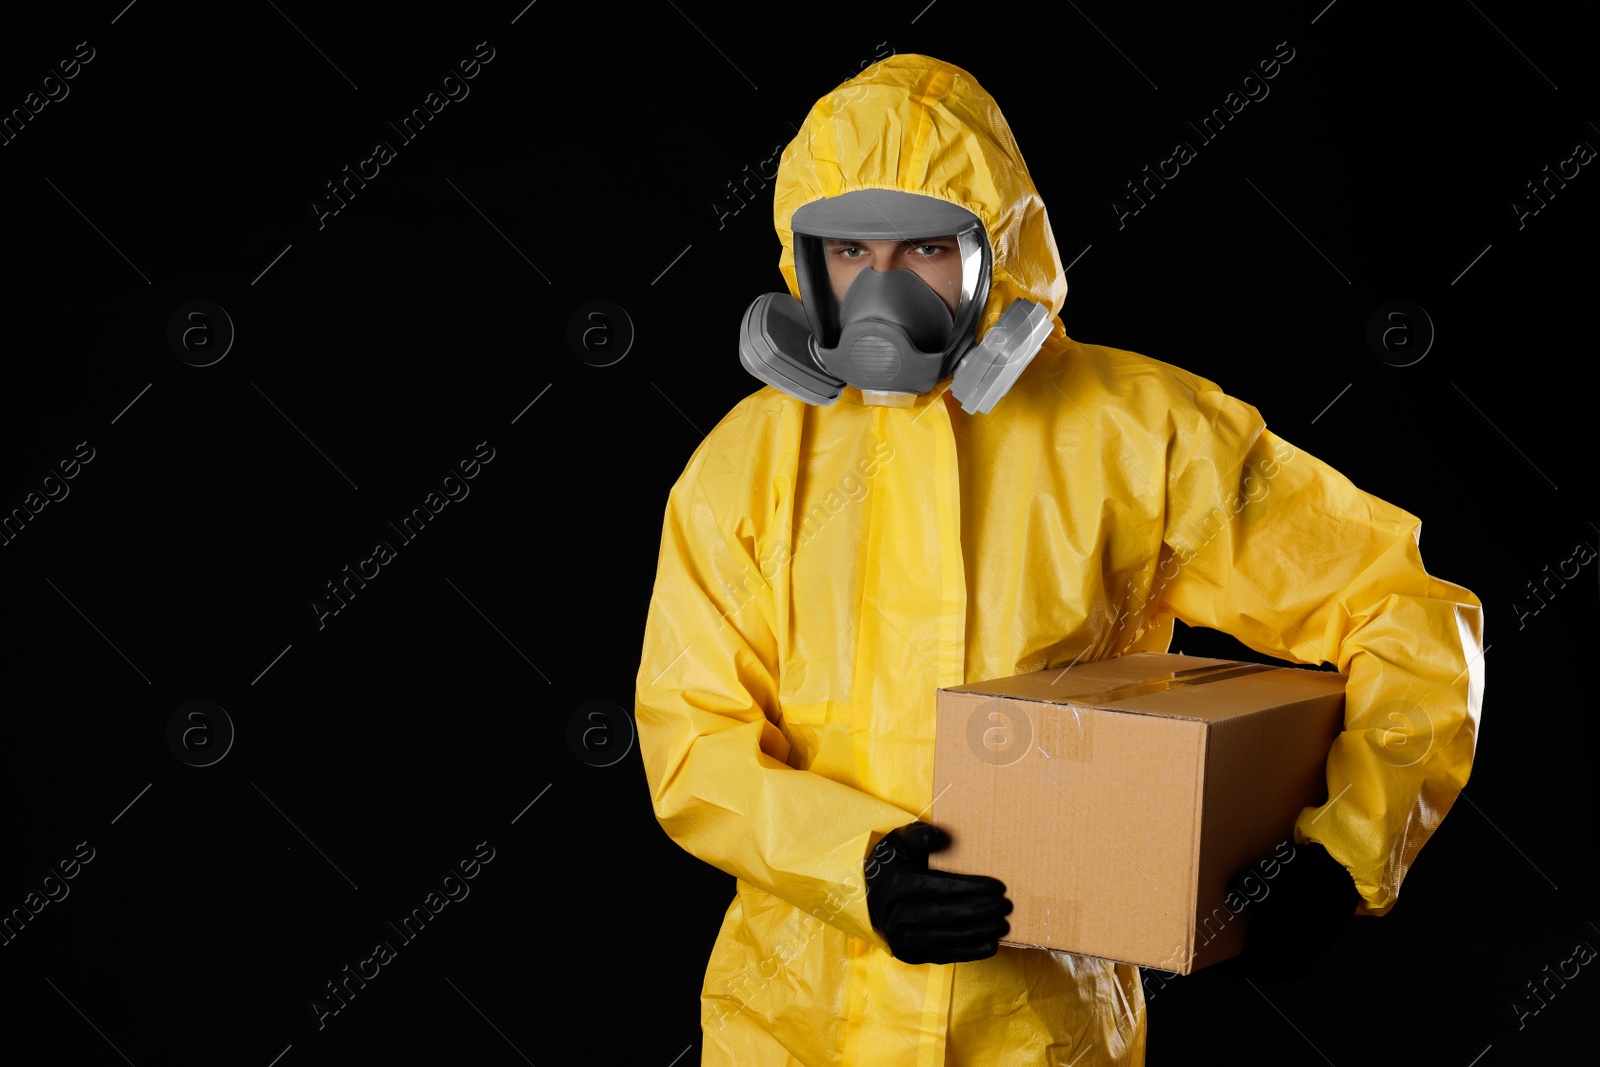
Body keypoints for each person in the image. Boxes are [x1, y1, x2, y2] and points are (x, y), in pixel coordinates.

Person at [634, 53, 1483, 1066]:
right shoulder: (746, 464)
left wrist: (1351, 839)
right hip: (790, 1029)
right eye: (850, 250)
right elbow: (692, 737)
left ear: (998, 249)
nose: (882, 291)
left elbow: (1394, 600)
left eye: (924, 252)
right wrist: (851, 865)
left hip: (1043, 1035)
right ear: (800, 267)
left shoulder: (1138, 435)